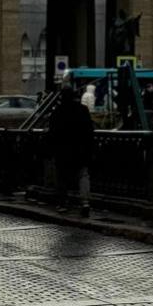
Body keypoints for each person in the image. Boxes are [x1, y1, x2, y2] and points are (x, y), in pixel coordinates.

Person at [48, 85, 94, 217]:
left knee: (62, 177)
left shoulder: (58, 111)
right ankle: (85, 203)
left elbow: (53, 133)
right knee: (83, 175)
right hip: (81, 149)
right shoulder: (83, 109)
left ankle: (63, 203)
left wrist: (52, 149)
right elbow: (89, 131)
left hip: (63, 150)